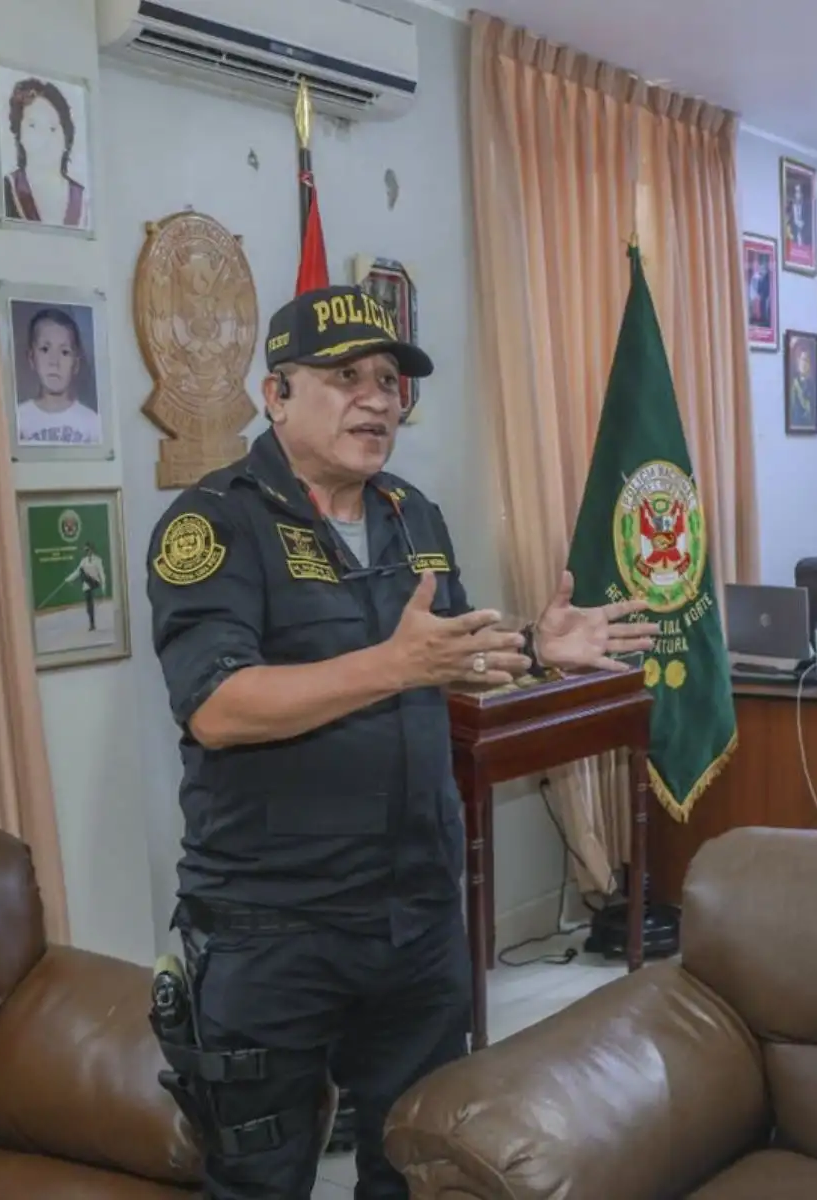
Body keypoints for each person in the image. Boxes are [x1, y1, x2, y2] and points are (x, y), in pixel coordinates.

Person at [145, 283, 658, 1200]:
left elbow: (450, 660)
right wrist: (391, 666)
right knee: (257, 1180)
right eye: (346, 378)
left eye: (390, 380)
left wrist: (538, 649)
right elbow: (217, 706)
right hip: (274, 929)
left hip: (416, 920)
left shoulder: (412, 514)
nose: (378, 399)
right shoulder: (215, 523)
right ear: (276, 394)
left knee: (418, 1165)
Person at [3, 77, 88, 229]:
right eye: (33, 126)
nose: (44, 138)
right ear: (20, 134)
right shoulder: (8, 188)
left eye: (52, 128)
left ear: (66, 139)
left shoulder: (83, 199)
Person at [15, 307, 101, 446]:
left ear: (76, 364)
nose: (54, 362)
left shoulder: (92, 422)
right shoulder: (18, 419)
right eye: (45, 349)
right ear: (31, 358)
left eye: (65, 352)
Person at [64, 540, 104, 631]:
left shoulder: (97, 560)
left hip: (95, 582)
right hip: (87, 585)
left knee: (83, 575)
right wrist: (68, 579)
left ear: (92, 550)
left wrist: (103, 585)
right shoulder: (83, 561)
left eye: (88, 550)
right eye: (86, 550)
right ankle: (92, 623)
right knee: (89, 604)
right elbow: (77, 572)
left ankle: (92, 621)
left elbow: (101, 573)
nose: (87, 552)